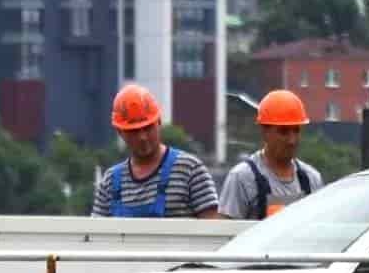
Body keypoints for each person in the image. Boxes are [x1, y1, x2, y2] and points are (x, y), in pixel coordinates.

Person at [90, 83, 221, 219]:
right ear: (120, 132)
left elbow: (213, 232)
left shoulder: (190, 170)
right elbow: (96, 236)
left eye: (147, 128)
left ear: (158, 122)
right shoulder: (110, 182)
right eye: (133, 131)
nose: (143, 137)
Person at [218, 89, 325, 220]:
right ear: (264, 131)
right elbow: (227, 232)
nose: (292, 140)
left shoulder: (312, 179)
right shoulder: (242, 178)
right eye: (283, 132)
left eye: (296, 131)